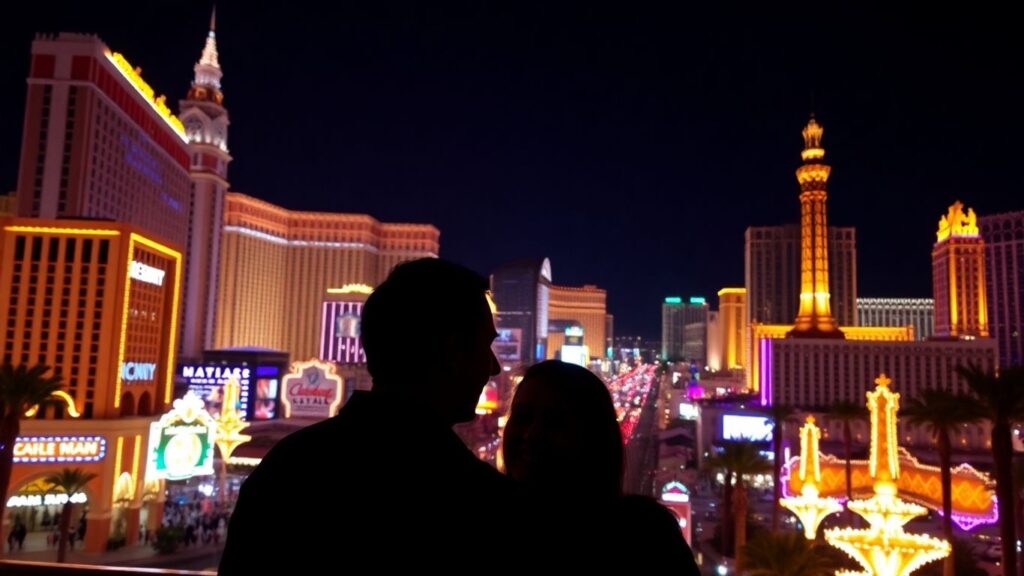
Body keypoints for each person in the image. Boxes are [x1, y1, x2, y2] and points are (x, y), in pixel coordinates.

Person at [219, 259, 513, 573]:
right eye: (485, 346)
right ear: (453, 353)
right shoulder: (476, 498)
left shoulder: (286, 466)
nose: (493, 367)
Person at [502, 360, 700, 573]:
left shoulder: (646, 536)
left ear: (594, 440)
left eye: (554, 423)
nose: (531, 435)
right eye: (522, 416)